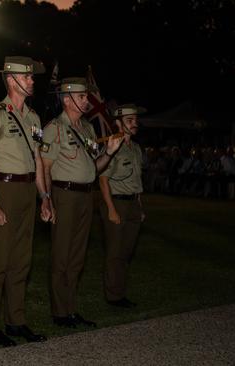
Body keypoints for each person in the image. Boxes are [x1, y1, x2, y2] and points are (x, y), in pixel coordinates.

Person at [0, 56, 52, 347]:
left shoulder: (33, 118)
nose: (32, 80)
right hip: (3, 188)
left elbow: (37, 159)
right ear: (12, 80)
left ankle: (16, 320)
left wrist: (45, 197)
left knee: (21, 260)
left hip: (27, 191)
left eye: (33, 77)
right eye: (27, 76)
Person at [40, 77, 122, 328]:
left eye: (87, 96)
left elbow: (95, 168)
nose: (87, 100)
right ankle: (59, 312)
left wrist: (109, 153)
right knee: (62, 255)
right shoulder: (54, 128)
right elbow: (45, 167)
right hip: (64, 195)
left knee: (77, 257)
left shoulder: (87, 128)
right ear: (67, 99)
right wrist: (46, 199)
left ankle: (71, 309)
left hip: (87, 195)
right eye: (82, 96)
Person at [99, 104, 147, 308]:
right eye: (129, 120)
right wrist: (111, 209)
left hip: (133, 204)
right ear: (118, 123)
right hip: (116, 202)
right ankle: (114, 296)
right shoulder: (113, 147)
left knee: (126, 252)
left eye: (135, 120)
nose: (134, 124)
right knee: (115, 252)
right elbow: (102, 180)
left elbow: (137, 181)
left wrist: (140, 207)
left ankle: (119, 291)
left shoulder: (135, 148)